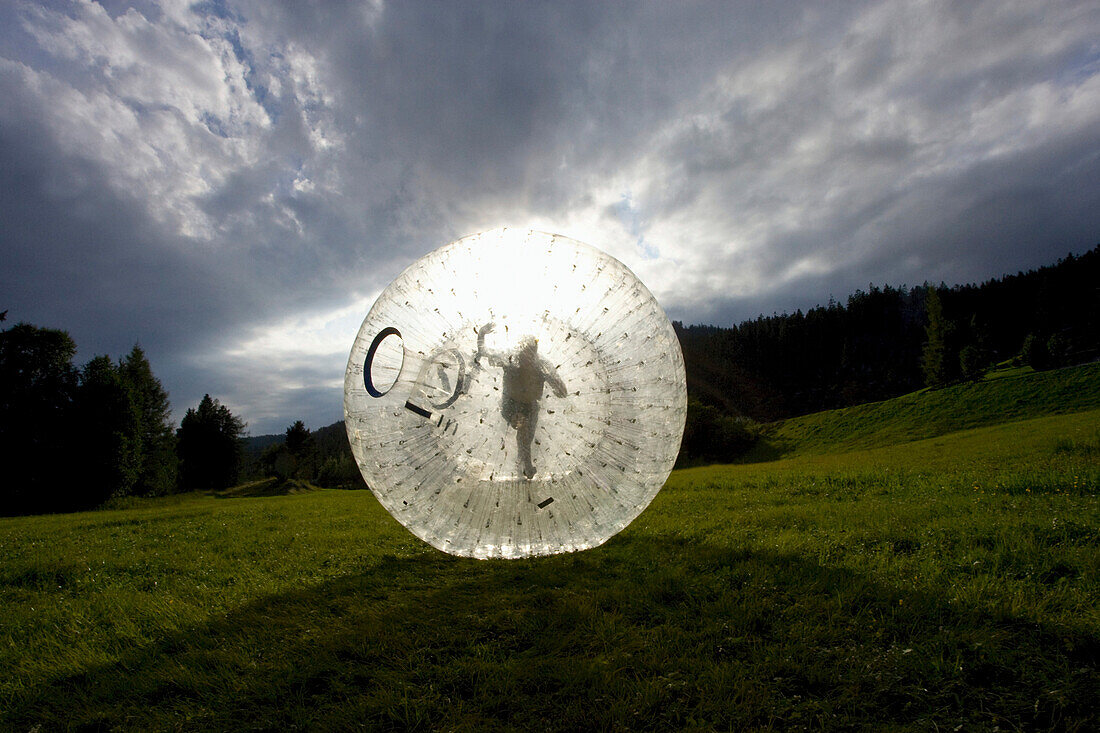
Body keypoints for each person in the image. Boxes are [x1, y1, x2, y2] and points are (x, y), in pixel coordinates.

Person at [475, 322, 567, 478]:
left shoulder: (542, 366)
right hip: (510, 404)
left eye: (530, 351)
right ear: (520, 349)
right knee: (522, 428)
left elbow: (563, 393)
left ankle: (522, 463)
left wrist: (553, 380)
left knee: (526, 438)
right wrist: (482, 334)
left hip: (531, 406)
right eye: (524, 350)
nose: (526, 355)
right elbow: (483, 352)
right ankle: (528, 466)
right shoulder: (509, 358)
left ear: (535, 352)